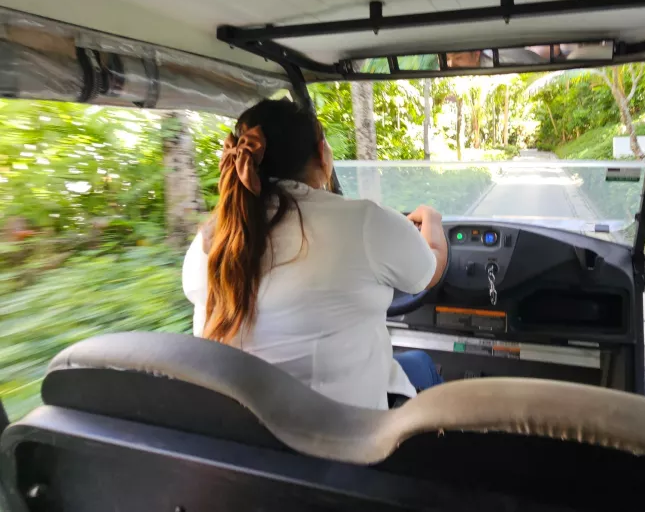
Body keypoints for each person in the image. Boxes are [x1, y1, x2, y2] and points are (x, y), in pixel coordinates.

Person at [182, 99, 449, 410]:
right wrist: (431, 219)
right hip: (351, 429)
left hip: (246, 430)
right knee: (422, 364)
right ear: (322, 153)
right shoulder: (363, 222)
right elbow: (430, 272)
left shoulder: (209, 240)